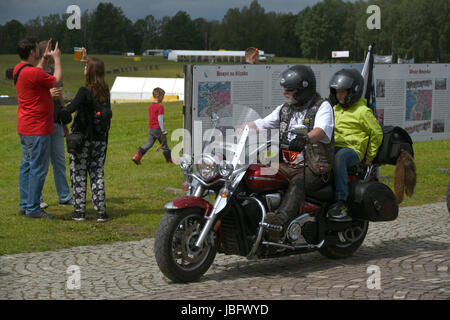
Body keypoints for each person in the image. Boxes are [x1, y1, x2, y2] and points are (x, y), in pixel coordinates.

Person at [236, 65, 335, 240]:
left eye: (290, 89)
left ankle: (278, 222)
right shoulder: (285, 109)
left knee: (299, 181)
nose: (285, 92)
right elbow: (262, 124)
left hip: (314, 166)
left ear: (304, 89)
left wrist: (306, 138)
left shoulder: (322, 106)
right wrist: (234, 128)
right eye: (284, 88)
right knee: (251, 171)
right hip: (288, 163)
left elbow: (322, 130)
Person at [15, 37, 63, 219]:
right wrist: (56, 59)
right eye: (37, 50)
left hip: (26, 126)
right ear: (32, 53)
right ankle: (34, 208)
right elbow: (56, 80)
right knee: (38, 168)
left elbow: (36, 71)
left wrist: (44, 59)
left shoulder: (20, 69)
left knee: (26, 166)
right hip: (38, 128)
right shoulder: (33, 73)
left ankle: (25, 204)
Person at [327, 68, 383, 222]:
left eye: (343, 92)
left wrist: (370, 156)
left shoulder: (363, 111)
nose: (339, 95)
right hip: (334, 146)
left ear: (353, 91)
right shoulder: (335, 109)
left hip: (352, 150)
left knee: (340, 158)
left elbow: (376, 133)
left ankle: (341, 201)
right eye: (337, 92)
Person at [64, 57, 112, 222]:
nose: (84, 68)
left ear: (90, 71)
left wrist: (60, 107)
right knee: (97, 173)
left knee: (79, 174)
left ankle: (80, 211)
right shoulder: (105, 92)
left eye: (86, 66)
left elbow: (69, 111)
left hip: (82, 140)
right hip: (101, 140)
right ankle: (101, 212)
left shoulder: (83, 91)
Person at [37, 41, 73, 209]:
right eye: (50, 53)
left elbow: (59, 98)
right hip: (41, 124)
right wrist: (48, 94)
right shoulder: (35, 73)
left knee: (59, 161)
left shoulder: (53, 72)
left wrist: (64, 118)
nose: (52, 56)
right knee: (41, 163)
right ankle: (37, 198)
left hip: (56, 123)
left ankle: (64, 196)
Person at [132, 87, 173, 165]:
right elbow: (160, 119)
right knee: (164, 145)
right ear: (158, 96)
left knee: (149, 144)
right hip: (158, 129)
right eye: (162, 96)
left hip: (151, 129)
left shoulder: (151, 106)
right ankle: (169, 160)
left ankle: (137, 155)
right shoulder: (160, 106)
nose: (163, 98)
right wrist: (163, 130)